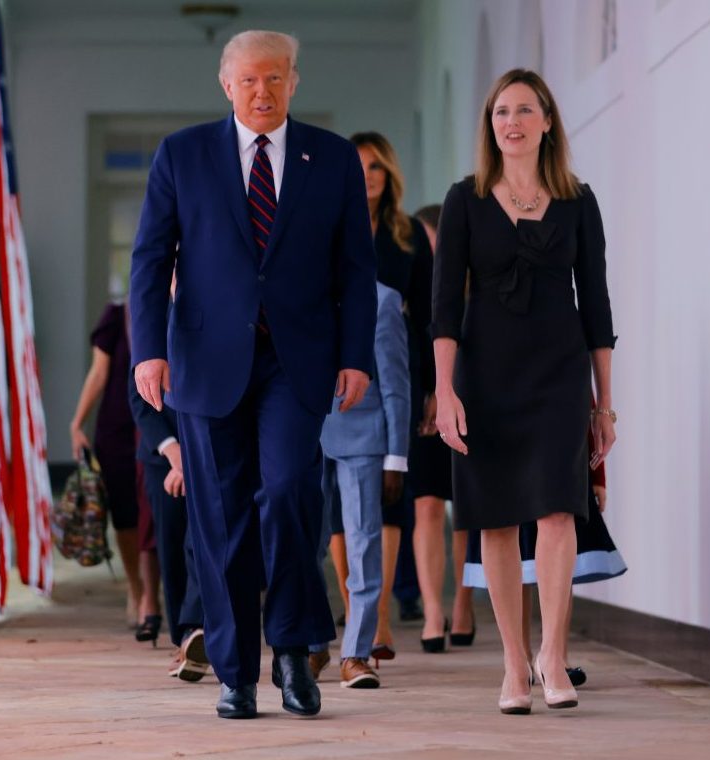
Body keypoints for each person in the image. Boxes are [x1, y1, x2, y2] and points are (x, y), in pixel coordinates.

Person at [130, 30, 377, 720]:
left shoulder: (331, 158)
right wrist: (148, 350)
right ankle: (235, 671)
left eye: (274, 78)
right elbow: (150, 258)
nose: (261, 91)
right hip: (205, 362)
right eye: (248, 80)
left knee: (292, 492)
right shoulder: (182, 154)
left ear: (294, 81)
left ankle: (293, 649)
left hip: (296, 362)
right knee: (220, 514)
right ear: (226, 85)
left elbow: (356, 268)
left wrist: (355, 354)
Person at [431, 68, 616, 715]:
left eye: (524, 110)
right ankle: (514, 663)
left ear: (547, 122)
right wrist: (444, 391)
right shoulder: (464, 200)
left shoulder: (577, 201)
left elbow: (597, 307)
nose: (512, 122)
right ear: (491, 126)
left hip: (559, 375)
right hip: (485, 375)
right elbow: (443, 309)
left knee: (560, 510)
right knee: (497, 517)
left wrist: (604, 404)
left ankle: (552, 656)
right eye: (501, 112)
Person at [460, 403, 627, 687]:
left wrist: (597, 474)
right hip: (506, 433)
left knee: (560, 548)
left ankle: (557, 655)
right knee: (518, 555)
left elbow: (585, 401)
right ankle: (520, 656)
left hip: (554, 428)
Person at [313, 274, 409, 689]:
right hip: (304, 431)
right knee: (303, 542)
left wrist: (396, 456)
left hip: (364, 437)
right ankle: (312, 643)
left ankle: (356, 652)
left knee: (365, 543)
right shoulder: (299, 288)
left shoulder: (383, 300)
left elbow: (396, 382)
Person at [69, 301, 161, 641]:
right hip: (116, 429)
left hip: (157, 422)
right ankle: (137, 589)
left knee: (154, 512)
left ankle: (154, 593)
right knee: (125, 515)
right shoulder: (115, 316)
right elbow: (98, 373)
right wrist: (77, 422)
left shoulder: (173, 308)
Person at [408, 202, 476, 652]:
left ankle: (464, 604)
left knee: (467, 509)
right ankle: (433, 610)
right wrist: (426, 393)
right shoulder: (415, 290)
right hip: (424, 402)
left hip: (470, 398)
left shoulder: (470, 286)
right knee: (428, 505)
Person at [127, 369, 209, 681]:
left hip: (211, 448)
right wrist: (176, 455)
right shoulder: (149, 339)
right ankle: (183, 639)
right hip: (161, 456)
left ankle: (198, 629)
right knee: (171, 545)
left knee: (203, 540)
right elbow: (138, 397)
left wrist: (193, 458)